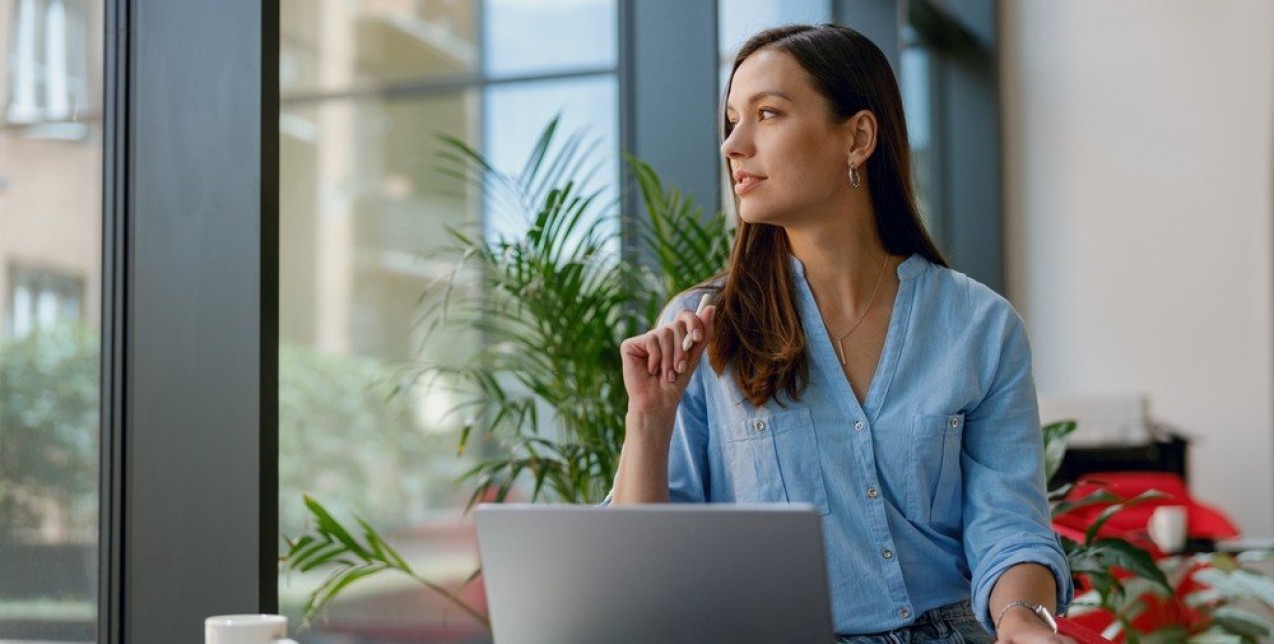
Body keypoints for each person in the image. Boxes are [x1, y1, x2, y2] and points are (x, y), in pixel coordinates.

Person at [608, 24, 1075, 644]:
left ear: (857, 137)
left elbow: (1010, 525)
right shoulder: (700, 330)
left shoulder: (979, 326)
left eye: (767, 114)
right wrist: (648, 418)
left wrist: (1022, 619)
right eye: (731, 121)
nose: (733, 145)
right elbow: (641, 577)